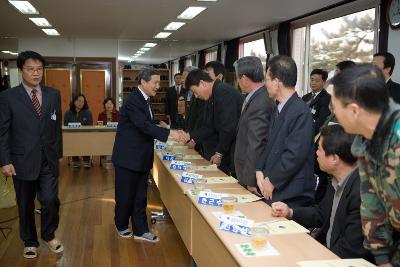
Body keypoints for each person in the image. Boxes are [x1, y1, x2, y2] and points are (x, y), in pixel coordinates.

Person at [330, 63, 400, 267]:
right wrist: (382, 258)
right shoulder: (365, 142)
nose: (334, 114)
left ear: (353, 110)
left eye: (335, 107)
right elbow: (372, 204)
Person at [271, 125, 372, 261]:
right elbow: (321, 214)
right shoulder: (336, 179)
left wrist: (312, 257)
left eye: (319, 148)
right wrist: (290, 212)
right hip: (325, 252)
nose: (316, 153)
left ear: (334, 159)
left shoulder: (361, 193)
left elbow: (350, 250)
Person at [0, 51, 63, 259]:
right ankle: (29, 240)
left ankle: (48, 234)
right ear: (20, 71)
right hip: (21, 161)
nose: (36, 73)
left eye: (39, 69)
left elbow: (56, 127)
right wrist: (5, 161)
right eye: (30, 69)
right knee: (25, 204)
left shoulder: (53, 94)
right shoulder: (7, 97)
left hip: (48, 160)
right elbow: (3, 131)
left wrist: (58, 154)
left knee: (50, 199)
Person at [112, 68, 183, 242]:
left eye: (159, 82)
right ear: (143, 82)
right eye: (155, 82)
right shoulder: (133, 101)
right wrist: (170, 133)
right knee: (125, 196)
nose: (158, 86)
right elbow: (143, 126)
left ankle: (140, 230)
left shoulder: (145, 99)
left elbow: (147, 126)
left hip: (141, 157)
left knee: (140, 197)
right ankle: (121, 225)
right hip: (128, 158)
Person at [256, 55, 315, 207]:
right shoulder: (279, 107)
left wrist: (272, 180)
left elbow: (294, 155)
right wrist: (259, 170)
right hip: (273, 186)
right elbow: (269, 144)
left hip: (291, 192)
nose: (265, 84)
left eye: (267, 80)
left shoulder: (300, 111)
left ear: (277, 82)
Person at [184, 69, 243, 175]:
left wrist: (219, 153)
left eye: (195, 92)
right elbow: (209, 125)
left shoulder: (223, 92)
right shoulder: (211, 94)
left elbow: (228, 127)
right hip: (224, 146)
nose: (196, 96)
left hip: (235, 148)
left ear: (202, 83)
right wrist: (190, 136)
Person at [233, 56, 275, 194]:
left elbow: (256, 143)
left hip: (251, 177)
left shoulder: (261, 102)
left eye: (238, 78)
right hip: (244, 171)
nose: (237, 82)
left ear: (244, 78)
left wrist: (251, 180)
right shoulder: (254, 97)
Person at [64, 94, 93, 168]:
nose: (81, 103)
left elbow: (90, 127)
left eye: (82, 102)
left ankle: (86, 159)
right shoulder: (68, 113)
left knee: (86, 141)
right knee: (72, 141)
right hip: (72, 138)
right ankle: (75, 159)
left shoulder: (88, 113)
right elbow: (65, 127)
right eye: (79, 101)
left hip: (85, 138)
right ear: (74, 101)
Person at [302, 69, 331, 135]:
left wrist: (307, 133)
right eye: (312, 80)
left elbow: (321, 120)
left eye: (317, 81)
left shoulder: (327, 98)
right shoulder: (305, 97)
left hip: (313, 134)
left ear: (324, 82)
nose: (313, 83)